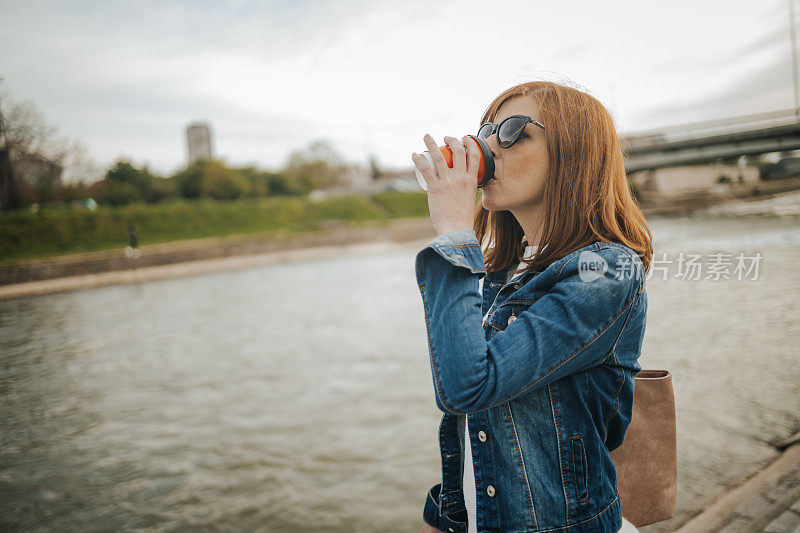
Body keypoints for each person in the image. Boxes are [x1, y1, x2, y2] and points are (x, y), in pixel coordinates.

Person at [411, 80, 653, 533]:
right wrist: (446, 517)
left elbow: (468, 386)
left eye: (512, 131)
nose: (488, 146)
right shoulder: (501, 272)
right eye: (486, 131)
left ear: (573, 153)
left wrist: (453, 233)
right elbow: (475, 424)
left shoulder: (607, 270)